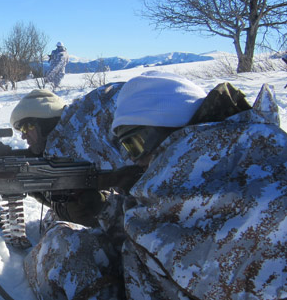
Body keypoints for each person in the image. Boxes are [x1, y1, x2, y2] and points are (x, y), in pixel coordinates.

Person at [111, 71, 287, 299]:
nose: (134, 160)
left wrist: (104, 210)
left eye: (134, 144)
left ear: (167, 129)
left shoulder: (168, 196)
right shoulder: (267, 146)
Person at [11, 86, 135, 300]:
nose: (23, 136)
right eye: (20, 130)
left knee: (58, 242)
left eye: (27, 126)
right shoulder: (70, 149)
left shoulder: (84, 148)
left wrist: (101, 205)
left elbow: (132, 221)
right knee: (54, 220)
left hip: (127, 251)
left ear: (46, 124)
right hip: (115, 238)